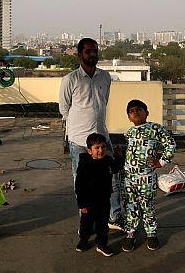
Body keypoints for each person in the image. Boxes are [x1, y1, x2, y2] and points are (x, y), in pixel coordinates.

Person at [59, 37, 122, 229]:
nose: (92, 54)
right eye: (88, 51)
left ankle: (114, 217)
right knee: (83, 183)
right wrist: (80, 125)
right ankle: (86, 222)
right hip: (79, 141)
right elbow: (64, 109)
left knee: (111, 178)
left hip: (102, 137)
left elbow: (104, 102)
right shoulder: (70, 79)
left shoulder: (105, 77)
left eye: (95, 50)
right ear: (80, 55)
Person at [121, 99, 177, 252]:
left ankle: (151, 234)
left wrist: (162, 162)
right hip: (128, 179)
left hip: (147, 177)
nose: (136, 112)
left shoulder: (155, 128)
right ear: (129, 117)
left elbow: (170, 144)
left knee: (148, 206)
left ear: (147, 113)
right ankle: (130, 234)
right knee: (130, 207)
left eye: (139, 109)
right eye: (131, 111)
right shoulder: (129, 132)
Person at [75, 133, 124, 257]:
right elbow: (79, 185)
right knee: (86, 223)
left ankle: (102, 244)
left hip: (103, 200)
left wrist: (118, 156)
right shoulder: (85, 164)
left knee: (102, 224)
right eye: (97, 148)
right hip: (88, 202)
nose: (100, 150)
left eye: (103, 147)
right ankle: (83, 241)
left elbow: (116, 168)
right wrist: (82, 204)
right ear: (89, 150)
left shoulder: (107, 161)